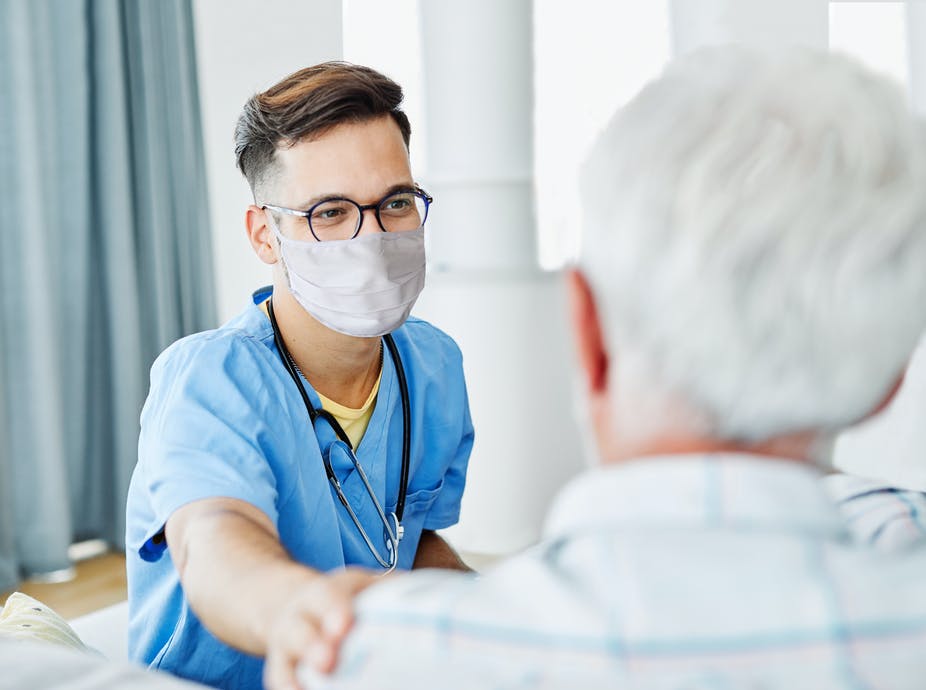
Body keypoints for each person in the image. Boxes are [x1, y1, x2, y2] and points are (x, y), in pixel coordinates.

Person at [306, 46, 926, 690]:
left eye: (395, 204)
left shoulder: (372, 657)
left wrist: (361, 622)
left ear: (586, 330)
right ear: (889, 378)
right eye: (332, 212)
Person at [125, 62, 474, 690]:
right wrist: (296, 613)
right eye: (330, 213)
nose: (372, 235)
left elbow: (407, 537)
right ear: (266, 235)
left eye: (396, 202)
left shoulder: (433, 365)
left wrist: (487, 612)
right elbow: (216, 543)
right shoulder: (209, 378)